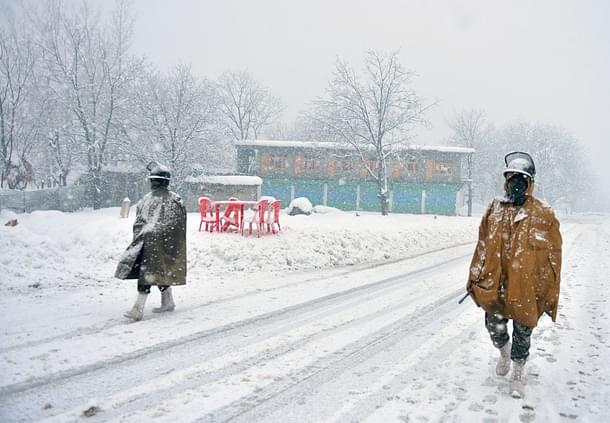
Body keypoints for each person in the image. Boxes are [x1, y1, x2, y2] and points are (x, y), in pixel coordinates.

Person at [466, 151, 562, 398]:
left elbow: (553, 254)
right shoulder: (494, 208)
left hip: (526, 285)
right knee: (493, 326)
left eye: (521, 179)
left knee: (523, 330)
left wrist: (549, 287)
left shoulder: (543, 213)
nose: (516, 183)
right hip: (497, 281)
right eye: (511, 178)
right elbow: (483, 245)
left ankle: (518, 371)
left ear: (529, 182)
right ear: (506, 181)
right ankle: (504, 352)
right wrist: (474, 277)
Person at [115, 162, 187, 321]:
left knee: (148, 274)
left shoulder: (167, 200)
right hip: (153, 243)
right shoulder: (167, 199)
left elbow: (174, 223)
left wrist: (150, 234)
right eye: (152, 180)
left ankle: (138, 309)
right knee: (158, 272)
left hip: (153, 243)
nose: (152, 183)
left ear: (161, 181)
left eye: (155, 180)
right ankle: (168, 301)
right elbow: (141, 221)